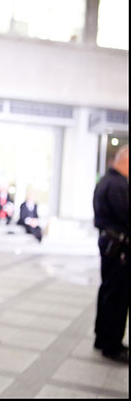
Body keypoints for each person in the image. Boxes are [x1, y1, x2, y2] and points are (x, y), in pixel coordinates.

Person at [92, 144, 129, 364]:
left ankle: (102, 338)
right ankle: (112, 346)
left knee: (108, 292)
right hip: (119, 248)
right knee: (117, 296)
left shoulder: (107, 180)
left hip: (110, 245)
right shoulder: (117, 184)